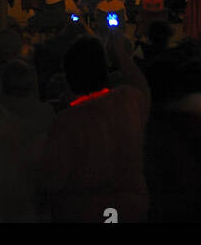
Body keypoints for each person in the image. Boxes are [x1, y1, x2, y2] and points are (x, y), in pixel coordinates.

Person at [39, 34, 150, 222]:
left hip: (82, 211)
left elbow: (53, 179)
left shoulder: (66, 122)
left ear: (69, 76)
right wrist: (120, 54)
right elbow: (142, 87)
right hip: (132, 208)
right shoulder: (128, 101)